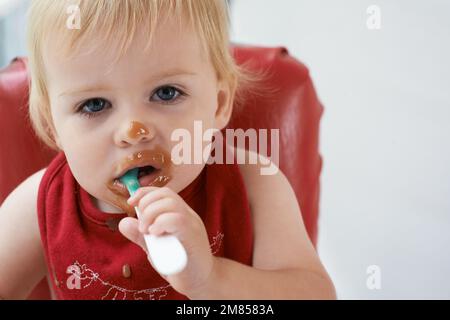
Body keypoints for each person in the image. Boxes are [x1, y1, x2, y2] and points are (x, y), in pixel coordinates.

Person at [0, 0, 336, 300]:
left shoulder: (254, 184)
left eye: (165, 93)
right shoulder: (40, 204)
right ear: (52, 124)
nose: (133, 132)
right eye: (95, 104)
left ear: (218, 104)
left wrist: (211, 281)